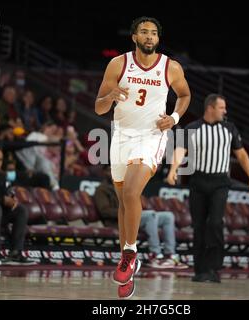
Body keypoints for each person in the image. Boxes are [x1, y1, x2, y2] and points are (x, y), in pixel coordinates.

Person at [95, 16, 191, 298]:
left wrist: (173, 117)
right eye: (144, 32)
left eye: (153, 33)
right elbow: (100, 108)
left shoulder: (170, 67)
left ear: (158, 39)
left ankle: (130, 253)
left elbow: (185, 95)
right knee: (124, 201)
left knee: (133, 192)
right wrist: (111, 95)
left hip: (151, 136)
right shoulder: (118, 64)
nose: (149, 36)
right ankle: (127, 267)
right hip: (121, 136)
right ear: (134, 37)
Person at [167, 93, 249, 283]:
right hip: (198, 182)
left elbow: (241, 154)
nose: (225, 111)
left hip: (220, 183)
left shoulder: (229, 128)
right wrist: (173, 170)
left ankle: (214, 268)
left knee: (215, 223)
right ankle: (200, 270)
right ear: (210, 108)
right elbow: (180, 150)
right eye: (222, 108)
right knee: (199, 226)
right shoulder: (192, 128)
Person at [93, 166, 188, 269]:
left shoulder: (125, 186)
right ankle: (155, 255)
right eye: (110, 170)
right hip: (117, 221)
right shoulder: (101, 189)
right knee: (150, 215)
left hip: (132, 217)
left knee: (168, 216)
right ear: (105, 173)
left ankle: (170, 255)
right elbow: (104, 211)